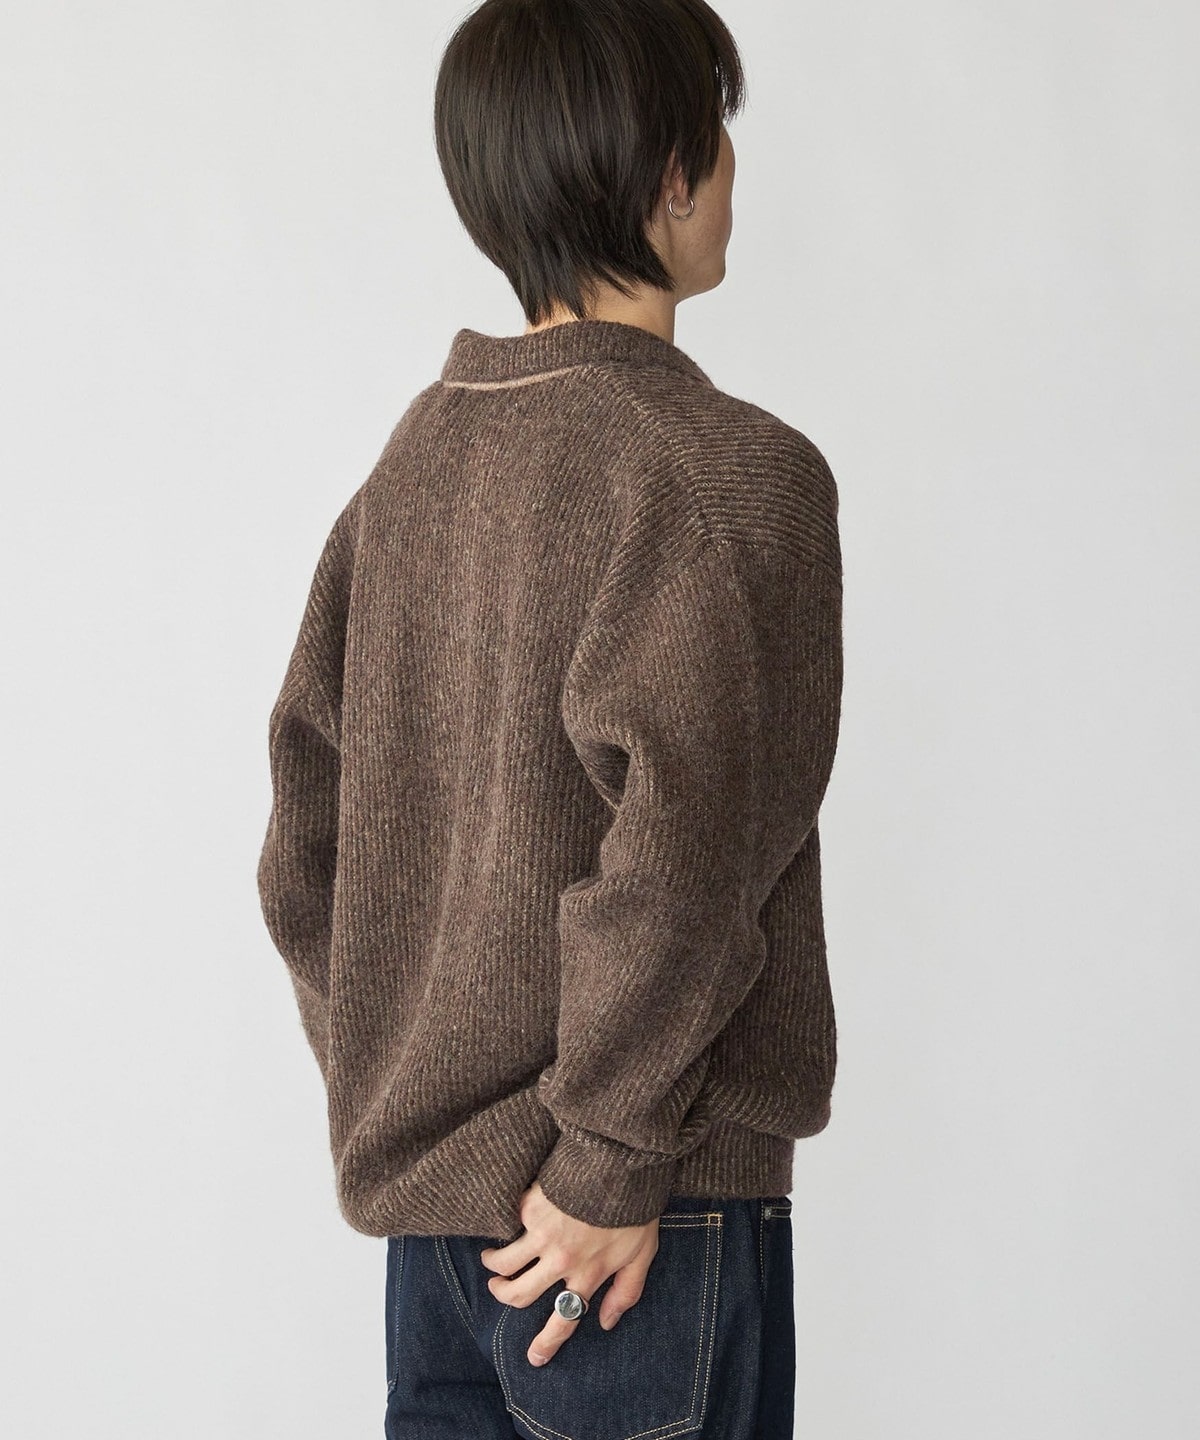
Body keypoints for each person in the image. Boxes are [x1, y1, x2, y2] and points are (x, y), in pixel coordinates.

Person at [255, 1, 845, 1434]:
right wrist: (602, 1158)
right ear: (672, 173)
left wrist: (419, 1101)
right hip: (636, 1230)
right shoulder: (731, 476)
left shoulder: (412, 469)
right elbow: (690, 863)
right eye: (719, 134)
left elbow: (304, 853)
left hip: (439, 1244)